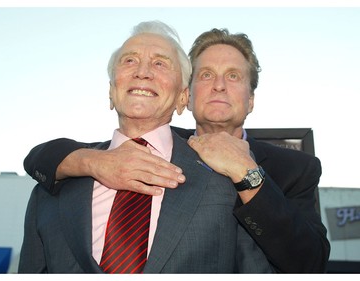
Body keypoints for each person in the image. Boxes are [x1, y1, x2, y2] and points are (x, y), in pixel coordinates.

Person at [22, 26, 330, 273]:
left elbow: (308, 261)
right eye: (206, 75)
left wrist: (247, 173)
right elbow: (43, 158)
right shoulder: (127, 148)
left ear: (251, 100)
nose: (219, 86)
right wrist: (90, 162)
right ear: (188, 95)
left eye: (233, 76)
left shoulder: (283, 172)